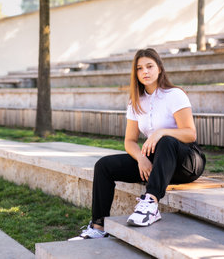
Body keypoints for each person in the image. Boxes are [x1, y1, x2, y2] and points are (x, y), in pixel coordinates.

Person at [69, 48, 206, 240]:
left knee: (165, 141)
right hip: (159, 163)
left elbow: (190, 134)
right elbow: (129, 141)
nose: (145, 72)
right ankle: (99, 226)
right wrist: (141, 159)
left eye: (149, 66)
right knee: (104, 166)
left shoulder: (174, 94)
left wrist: (160, 132)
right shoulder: (136, 102)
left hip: (188, 161)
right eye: (139, 68)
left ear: (159, 68)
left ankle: (150, 203)